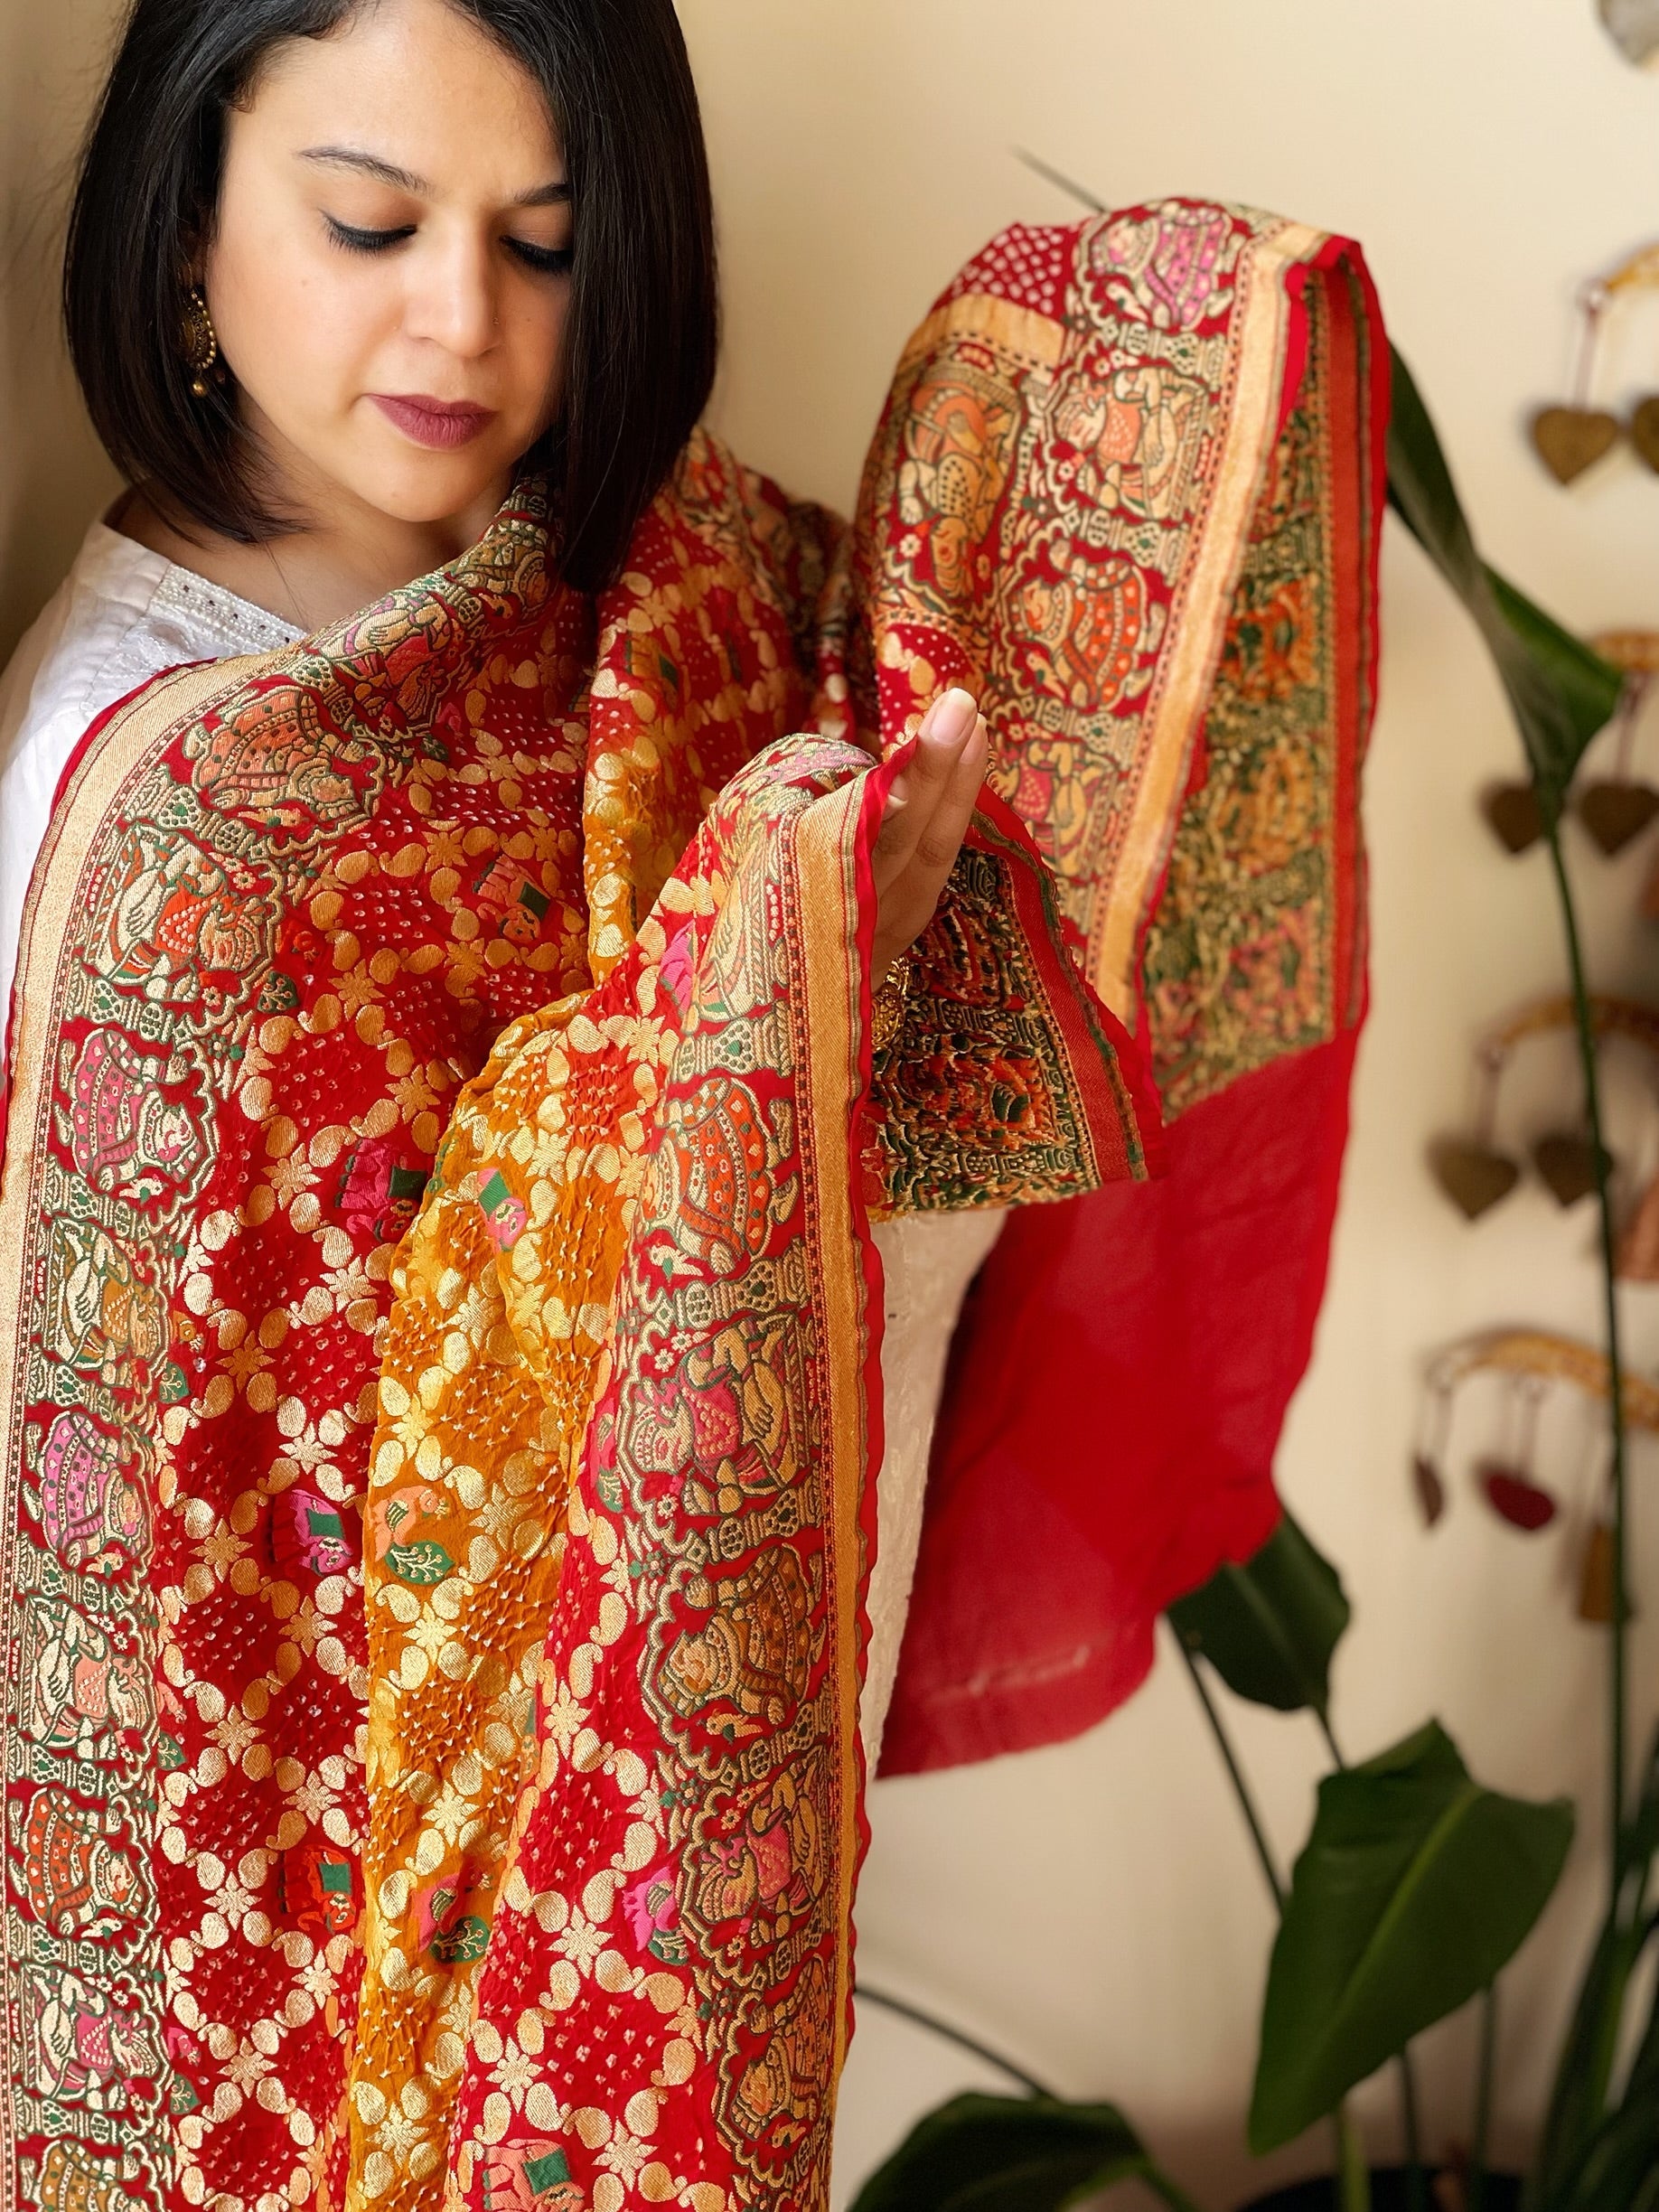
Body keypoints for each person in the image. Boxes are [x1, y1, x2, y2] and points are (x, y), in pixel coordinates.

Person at [0, 1, 1385, 2205]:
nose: (461, 319)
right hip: (329, 1926)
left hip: (691, 1787)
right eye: (368, 222)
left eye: (544, 245)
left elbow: (859, 688)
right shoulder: (163, 830)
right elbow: (277, 1508)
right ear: (183, 228)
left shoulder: (633, 563)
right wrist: (747, 992)